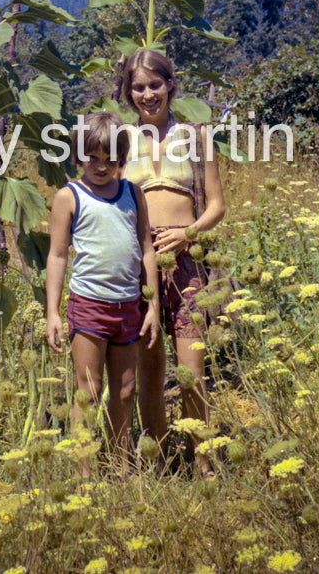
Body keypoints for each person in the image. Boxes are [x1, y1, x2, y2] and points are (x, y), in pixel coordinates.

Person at [120, 49, 225, 476]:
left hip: (186, 265)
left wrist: (187, 235)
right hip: (137, 268)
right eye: (138, 87)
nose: (148, 94)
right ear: (129, 93)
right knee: (148, 367)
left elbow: (217, 205)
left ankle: (202, 462)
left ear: (170, 86)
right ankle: (161, 460)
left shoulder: (197, 136)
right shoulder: (122, 140)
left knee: (191, 369)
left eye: (155, 85)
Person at [46, 111, 160, 472]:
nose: (100, 165)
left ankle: (119, 465)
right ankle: (83, 473)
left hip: (129, 307)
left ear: (121, 160)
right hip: (89, 305)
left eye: (110, 158)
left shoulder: (133, 193)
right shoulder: (69, 196)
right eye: (92, 157)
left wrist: (152, 305)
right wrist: (52, 312)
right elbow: (58, 255)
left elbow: (146, 249)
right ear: (79, 155)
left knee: (125, 391)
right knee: (89, 389)